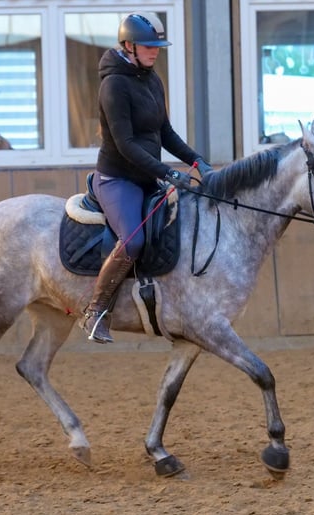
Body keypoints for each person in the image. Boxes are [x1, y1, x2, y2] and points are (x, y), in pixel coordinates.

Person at [81, 11, 213, 344]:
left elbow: (164, 132)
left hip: (146, 178)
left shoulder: (152, 79)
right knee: (134, 240)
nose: (155, 52)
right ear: (128, 45)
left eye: (157, 46)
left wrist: (196, 160)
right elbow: (125, 145)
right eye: (148, 46)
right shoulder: (113, 86)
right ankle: (95, 311)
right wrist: (168, 172)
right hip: (117, 179)